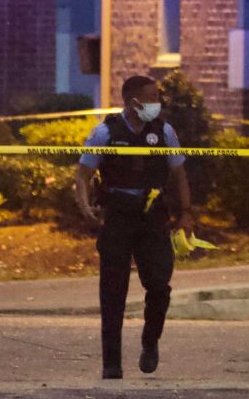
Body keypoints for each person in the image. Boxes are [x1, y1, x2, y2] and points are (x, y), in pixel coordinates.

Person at [75, 74, 194, 380]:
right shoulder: (105, 132)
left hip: (153, 215)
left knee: (159, 284)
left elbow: (179, 174)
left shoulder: (163, 131)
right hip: (118, 215)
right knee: (112, 292)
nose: (157, 103)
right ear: (133, 102)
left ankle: (150, 340)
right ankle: (111, 365)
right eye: (152, 98)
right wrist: (85, 205)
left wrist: (186, 214)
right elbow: (83, 174)